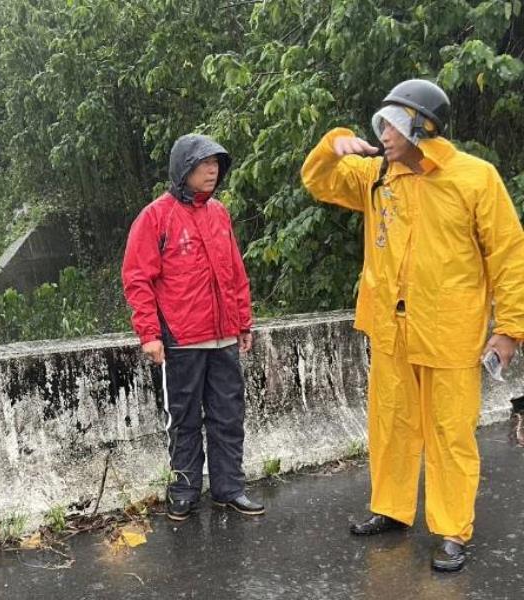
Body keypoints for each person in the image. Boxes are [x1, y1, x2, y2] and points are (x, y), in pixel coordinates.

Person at [301, 79, 524, 572]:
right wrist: (331, 146)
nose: (384, 132)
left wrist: (509, 329)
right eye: (381, 122)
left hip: (449, 331)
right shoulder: (378, 175)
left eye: (394, 122)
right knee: (392, 424)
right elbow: (319, 181)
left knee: (449, 432)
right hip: (391, 329)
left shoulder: (475, 179)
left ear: (424, 126)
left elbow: (509, 256)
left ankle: (451, 529)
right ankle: (392, 510)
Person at [121, 133, 263, 521]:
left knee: (228, 414)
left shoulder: (219, 213)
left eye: (216, 164)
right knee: (183, 418)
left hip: (224, 338)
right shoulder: (155, 216)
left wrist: (244, 322)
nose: (212, 170)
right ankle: (183, 489)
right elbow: (137, 278)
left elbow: (235, 272)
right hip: (181, 339)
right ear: (184, 169)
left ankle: (229, 487)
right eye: (203, 164)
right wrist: (149, 334)